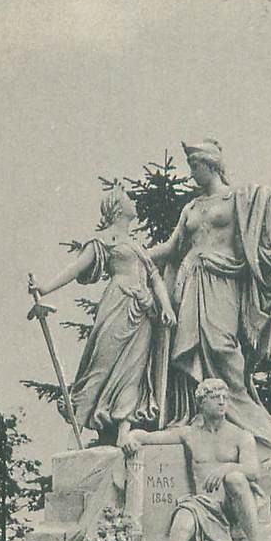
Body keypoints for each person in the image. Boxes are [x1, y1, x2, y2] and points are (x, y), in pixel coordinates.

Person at [146, 50, 271, 460]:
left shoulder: (240, 200)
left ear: (208, 166)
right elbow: (172, 248)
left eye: (193, 165)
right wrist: (134, 257)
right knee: (191, 367)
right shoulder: (190, 209)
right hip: (190, 288)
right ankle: (196, 427)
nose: (190, 172)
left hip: (222, 288)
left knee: (228, 365)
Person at [122, 378, 271, 541]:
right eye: (215, 397)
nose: (222, 402)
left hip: (231, 504)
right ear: (201, 403)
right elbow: (149, 437)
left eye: (225, 397)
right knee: (180, 528)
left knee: (236, 479)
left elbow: (252, 471)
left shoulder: (241, 436)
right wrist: (131, 435)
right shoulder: (189, 433)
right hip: (201, 504)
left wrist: (226, 468)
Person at [29, 181, 175, 447]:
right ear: (118, 207)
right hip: (118, 305)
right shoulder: (106, 240)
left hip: (143, 312)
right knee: (102, 364)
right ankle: (85, 419)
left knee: (134, 370)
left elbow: (155, 278)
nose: (135, 202)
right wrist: (45, 288)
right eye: (129, 198)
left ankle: (123, 428)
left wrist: (165, 307)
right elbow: (76, 268)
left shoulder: (136, 245)